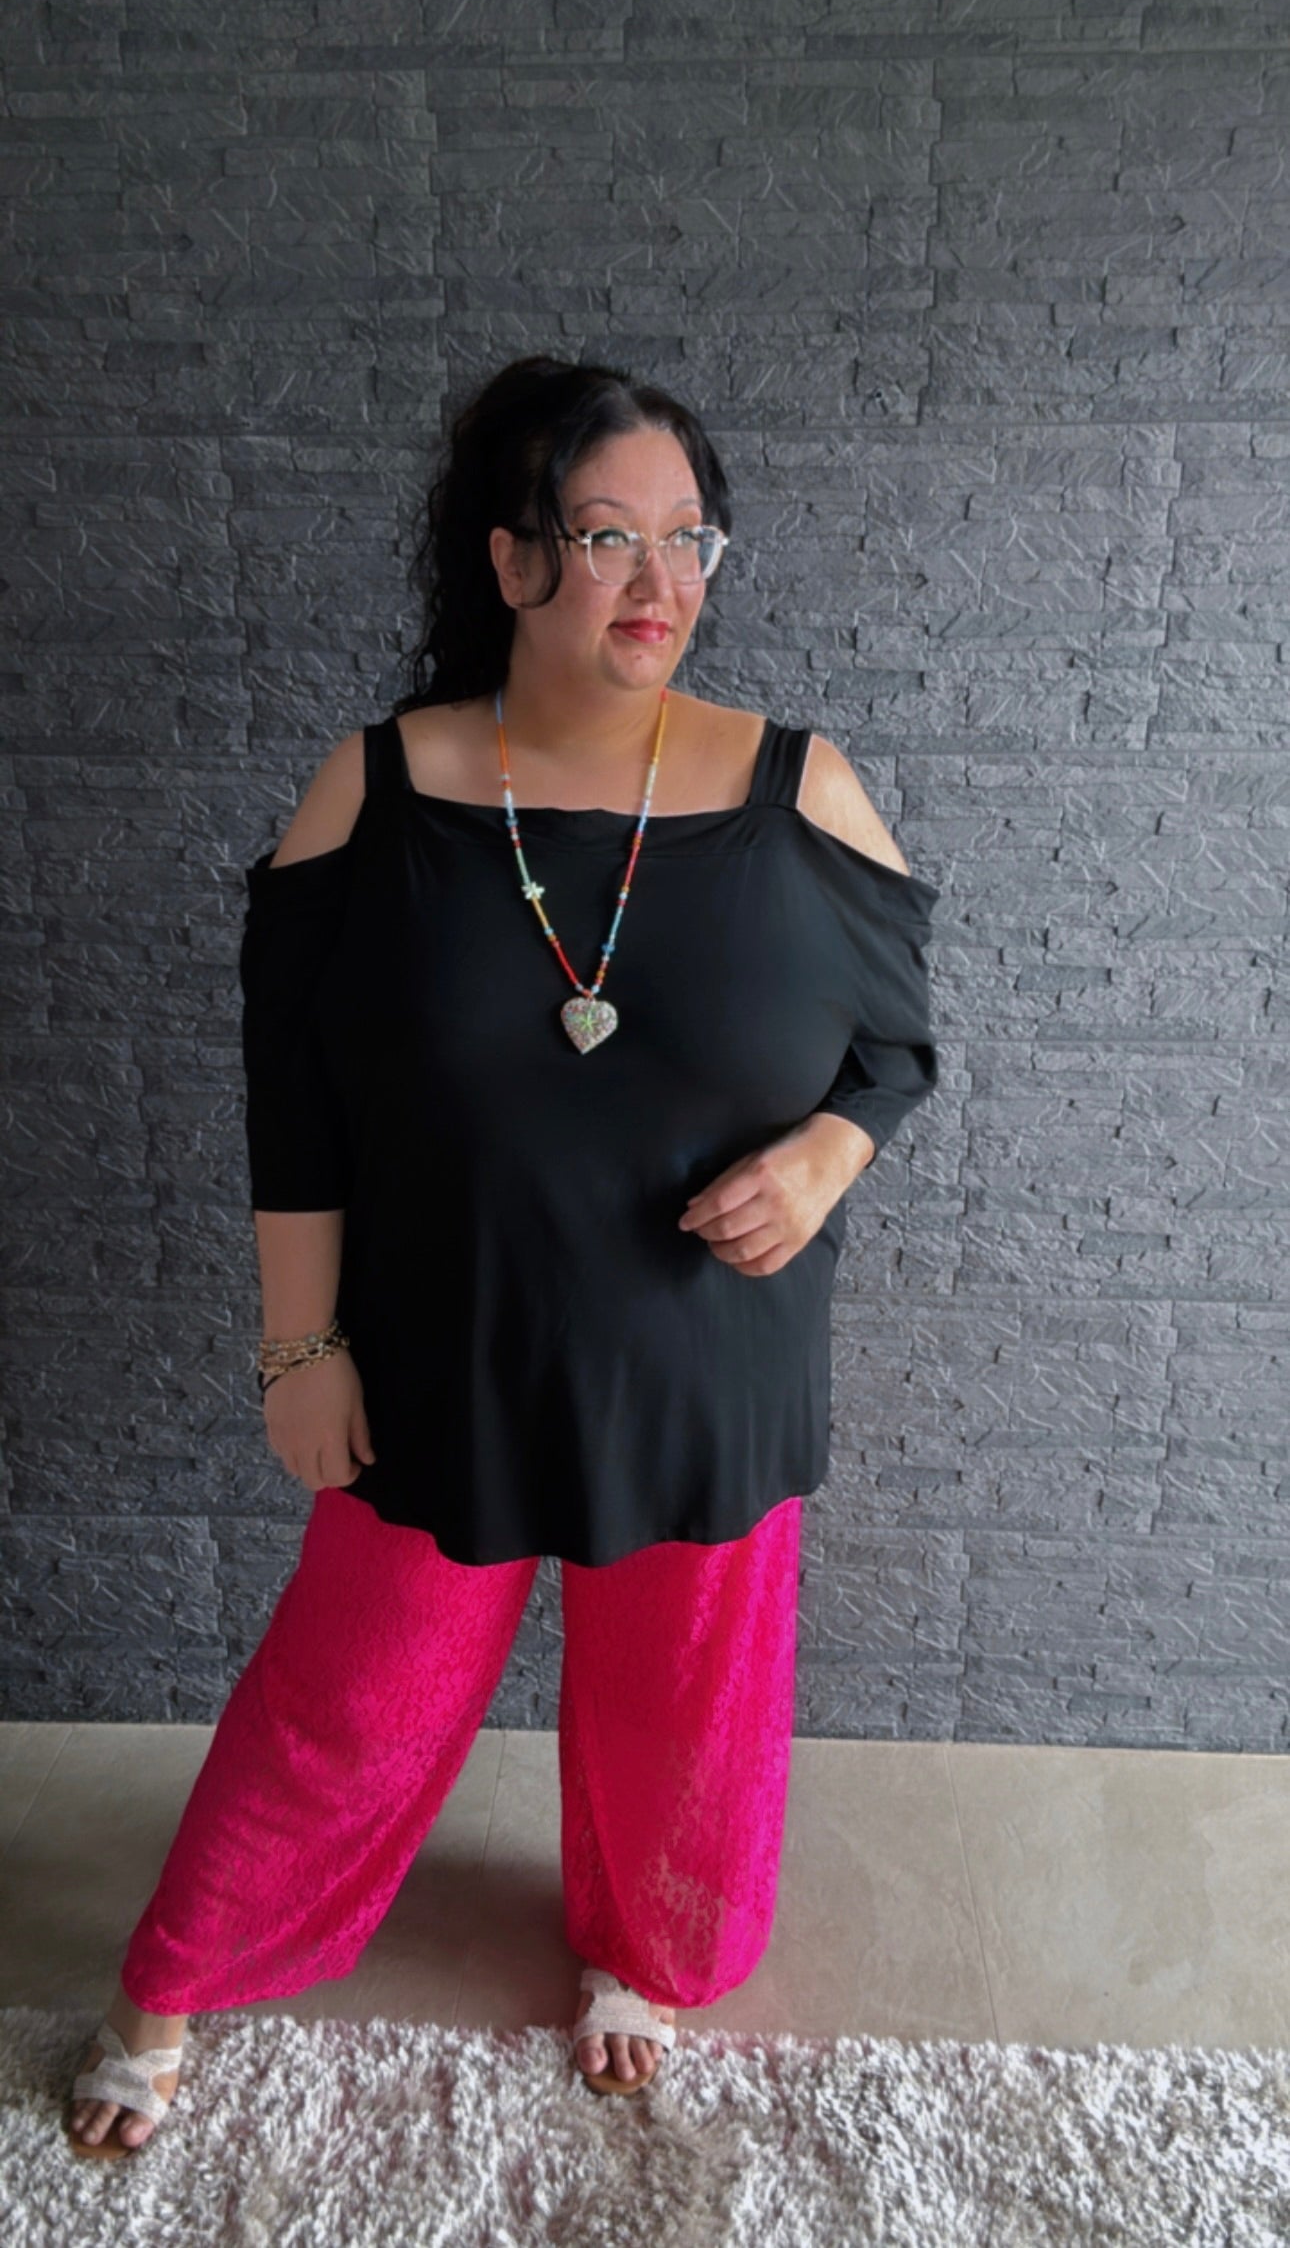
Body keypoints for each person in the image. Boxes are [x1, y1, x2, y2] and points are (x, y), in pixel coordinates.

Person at [65, 352, 940, 2156]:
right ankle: (176, 1976)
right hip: (437, 1354)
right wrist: (300, 1349)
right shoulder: (377, 792)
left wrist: (824, 1157)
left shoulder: (799, 787)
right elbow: (294, 1102)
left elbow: (896, 1049)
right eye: (607, 536)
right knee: (344, 1699)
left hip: (705, 1356)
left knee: (684, 1712)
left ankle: (645, 1952)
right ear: (510, 557)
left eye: (689, 537)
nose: (658, 580)